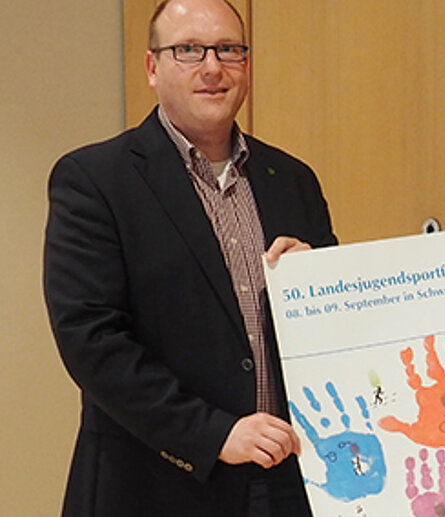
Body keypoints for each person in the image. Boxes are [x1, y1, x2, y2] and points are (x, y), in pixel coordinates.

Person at [43, 0, 336, 515]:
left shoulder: (293, 180)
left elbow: (338, 331)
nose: (212, 67)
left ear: (246, 65)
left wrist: (319, 279)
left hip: (291, 482)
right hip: (156, 484)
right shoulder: (95, 180)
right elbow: (92, 341)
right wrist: (212, 433)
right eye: (188, 50)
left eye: (228, 49)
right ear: (152, 68)